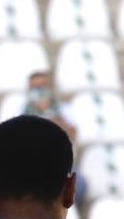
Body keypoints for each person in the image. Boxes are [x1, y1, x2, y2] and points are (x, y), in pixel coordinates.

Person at [23, 71, 85, 209]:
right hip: (28, 165)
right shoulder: (19, 110)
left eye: (43, 86)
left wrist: (48, 113)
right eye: (35, 87)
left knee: (78, 184)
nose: (39, 91)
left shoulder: (65, 110)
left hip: (61, 165)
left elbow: (73, 134)